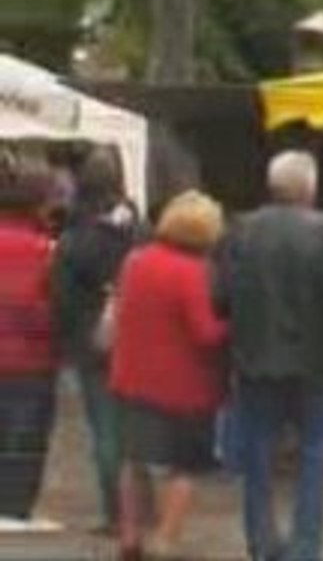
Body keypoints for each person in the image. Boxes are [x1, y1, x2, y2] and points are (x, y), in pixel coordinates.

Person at [214, 151, 323, 561]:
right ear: (310, 187)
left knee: (258, 455)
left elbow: (219, 298)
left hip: (254, 361)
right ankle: (304, 548)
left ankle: (262, 543)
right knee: (315, 455)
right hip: (319, 362)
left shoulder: (240, 231)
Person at [110, 191, 228, 559]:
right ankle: (164, 540)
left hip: (131, 376)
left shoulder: (136, 262)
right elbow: (204, 333)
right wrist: (233, 326)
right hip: (182, 386)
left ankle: (128, 539)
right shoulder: (191, 272)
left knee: (133, 461)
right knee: (184, 466)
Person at [50, 148, 141, 534]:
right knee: (138, 429)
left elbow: (61, 299)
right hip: (141, 343)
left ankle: (116, 515)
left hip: (93, 346)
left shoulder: (73, 240)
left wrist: (74, 339)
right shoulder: (141, 232)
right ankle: (141, 511)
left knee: (105, 431)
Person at [0, 151, 57, 520]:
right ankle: (15, 512)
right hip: (32, 362)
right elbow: (55, 309)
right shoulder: (49, 252)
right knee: (24, 445)